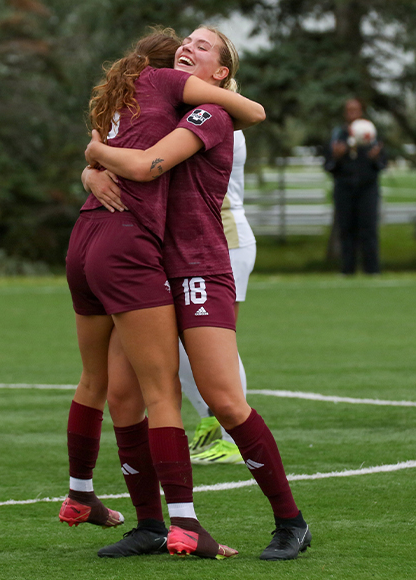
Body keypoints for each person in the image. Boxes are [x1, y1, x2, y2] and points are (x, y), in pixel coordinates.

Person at [84, 26, 310, 561]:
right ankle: (149, 526)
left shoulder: (212, 116)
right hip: (148, 265)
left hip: (201, 266)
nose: (188, 48)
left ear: (221, 74)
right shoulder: (163, 107)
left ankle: (291, 522)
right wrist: (91, 172)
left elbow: (140, 165)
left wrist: (95, 153)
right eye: (185, 42)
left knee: (224, 399)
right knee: (123, 395)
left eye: (203, 47)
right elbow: (120, 156)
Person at [184, 129, 254, 465]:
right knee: (180, 343)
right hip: (195, 245)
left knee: (220, 345)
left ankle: (234, 439)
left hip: (227, 239)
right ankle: (212, 422)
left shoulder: (218, 120)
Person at [324, 98, 386, 275]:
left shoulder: (371, 133)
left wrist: (375, 158)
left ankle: (372, 270)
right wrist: (336, 157)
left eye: (356, 110)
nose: (352, 114)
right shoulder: (338, 134)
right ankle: (347, 270)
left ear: (361, 112)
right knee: (346, 229)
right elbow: (328, 165)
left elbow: (383, 162)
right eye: (349, 110)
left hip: (368, 188)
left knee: (369, 229)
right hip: (344, 188)